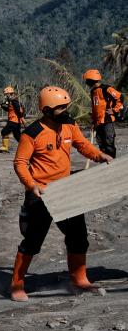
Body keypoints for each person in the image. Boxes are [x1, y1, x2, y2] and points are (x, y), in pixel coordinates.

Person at [9, 86, 112, 302]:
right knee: (33, 241)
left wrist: (99, 156)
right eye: (60, 108)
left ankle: (79, 279)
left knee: (78, 237)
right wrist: (31, 185)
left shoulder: (69, 125)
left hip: (66, 190)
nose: (66, 110)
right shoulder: (32, 133)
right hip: (41, 194)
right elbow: (20, 163)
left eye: (67, 106)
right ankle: (17, 284)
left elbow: (82, 145)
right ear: (46, 110)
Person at [83, 69, 122, 157]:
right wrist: (93, 121)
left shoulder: (106, 89)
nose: (86, 83)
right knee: (101, 145)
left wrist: (114, 110)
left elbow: (120, 97)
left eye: (87, 81)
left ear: (91, 80)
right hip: (98, 122)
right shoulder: (93, 91)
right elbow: (94, 107)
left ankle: (112, 163)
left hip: (107, 120)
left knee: (109, 144)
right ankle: (105, 165)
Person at [0, 86, 26, 153]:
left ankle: (5, 147)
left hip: (13, 121)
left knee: (4, 132)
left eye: (6, 94)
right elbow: (9, 109)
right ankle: (26, 147)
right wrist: (2, 106)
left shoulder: (14, 101)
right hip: (15, 121)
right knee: (17, 136)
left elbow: (19, 110)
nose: (6, 96)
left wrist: (22, 118)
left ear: (10, 94)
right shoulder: (11, 101)